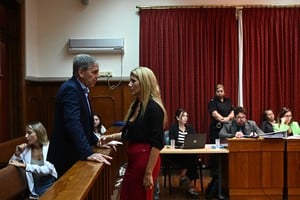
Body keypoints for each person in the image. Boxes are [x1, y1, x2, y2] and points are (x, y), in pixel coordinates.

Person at [99, 66, 167, 200]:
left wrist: (148, 172)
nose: (129, 84)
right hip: (134, 161)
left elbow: (157, 143)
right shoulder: (137, 105)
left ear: (144, 83)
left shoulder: (154, 108)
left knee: (139, 196)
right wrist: (109, 137)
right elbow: (131, 134)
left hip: (145, 161)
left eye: (133, 81)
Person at [47, 54, 112, 178]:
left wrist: (97, 141)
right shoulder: (71, 89)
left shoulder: (80, 89)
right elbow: (73, 123)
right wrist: (87, 152)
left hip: (73, 153)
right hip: (67, 155)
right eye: (94, 72)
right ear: (81, 72)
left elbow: (85, 124)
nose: (97, 76)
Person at [9, 121, 57, 198]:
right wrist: (17, 154)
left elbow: (47, 170)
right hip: (34, 186)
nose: (26, 136)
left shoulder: (49, 147)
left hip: (49, 183)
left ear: (38, 133)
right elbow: (10, 164)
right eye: (25, 133)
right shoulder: (25, 150)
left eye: (29, 133)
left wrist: (25, 166)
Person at [206, 84, 234, 199]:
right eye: (217, 91)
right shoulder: (212, 101)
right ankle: (216, 175)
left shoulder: (228, 101)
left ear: (224, 91)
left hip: (227, 128)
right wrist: (223, 119)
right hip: (216, 129)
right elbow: (214, 113)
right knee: (216, 152)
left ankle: (225, 175)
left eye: (221, 90)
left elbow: (232, 112)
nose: (219, 92)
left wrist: (227, 119)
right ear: (215, 92)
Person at [169, 108, 200, 198]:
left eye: (186, 116)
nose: (185, 118)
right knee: (191, 159)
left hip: (188, 153)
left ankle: (183, 177)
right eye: (183, 116)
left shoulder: (190, 128)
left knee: (191, 156)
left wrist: (188, 145)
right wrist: (182, 145)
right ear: (178, 118)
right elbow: (172, 141)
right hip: (176, 155)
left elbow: (194, 140)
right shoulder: (173, 128)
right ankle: (189, 186)